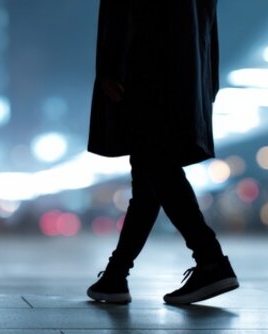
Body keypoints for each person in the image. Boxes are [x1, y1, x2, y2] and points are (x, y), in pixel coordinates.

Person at [86, 0, 238, 305]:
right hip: (185, 66)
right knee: (149, 176)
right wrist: (208, 77)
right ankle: (115, 276)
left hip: (145, 64)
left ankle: (210, 259)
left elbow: (124, 8)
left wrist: (111, 64)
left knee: (155, 165)